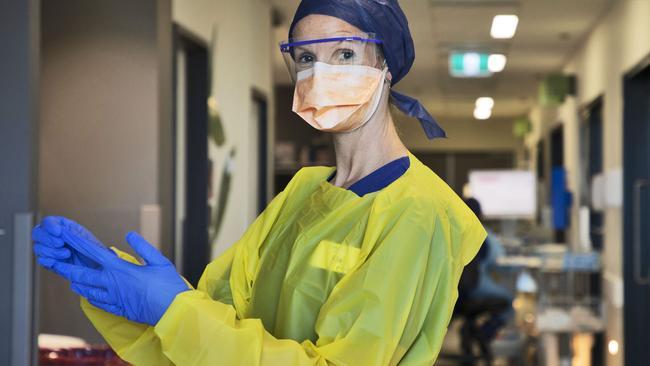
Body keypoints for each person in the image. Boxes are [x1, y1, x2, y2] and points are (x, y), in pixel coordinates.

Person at [33, 1, 487, 364]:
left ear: (386, 64)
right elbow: (208, 332)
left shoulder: (417, 213)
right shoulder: (304, 193)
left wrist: (175, 312)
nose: (321, 75)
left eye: (344, 54)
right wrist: (126, 293)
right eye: (306, 58)